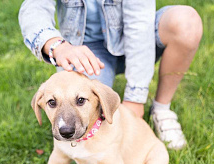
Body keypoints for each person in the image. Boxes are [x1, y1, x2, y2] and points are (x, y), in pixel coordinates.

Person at [19, 0, 203, 150]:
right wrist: (56, 45)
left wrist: (135, 98)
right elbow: (34, 7)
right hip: (86, 51)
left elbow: (139, 26)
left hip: (139, 39)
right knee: (86, 111)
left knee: (185, 21)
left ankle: (161, 109)